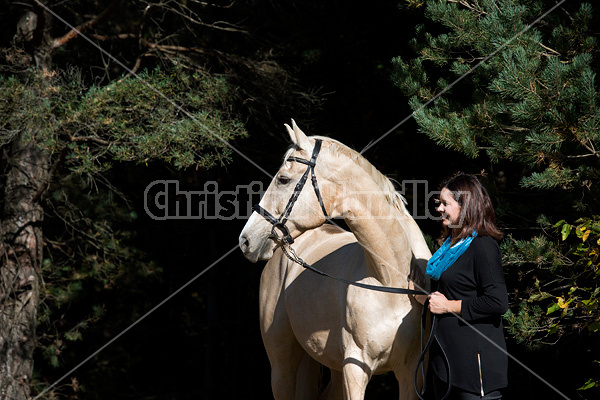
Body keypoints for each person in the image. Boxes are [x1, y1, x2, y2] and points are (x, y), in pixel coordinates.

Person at [410, 173, 509, 399]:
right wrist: (422, 296)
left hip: (474, 371)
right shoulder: (448, 248)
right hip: (444, 366)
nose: (439, 209)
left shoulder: (483, 246)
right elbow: (444, 298)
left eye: (445, 204)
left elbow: (497, 302)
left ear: (466, 206)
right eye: (439, 203)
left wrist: (449, 306)